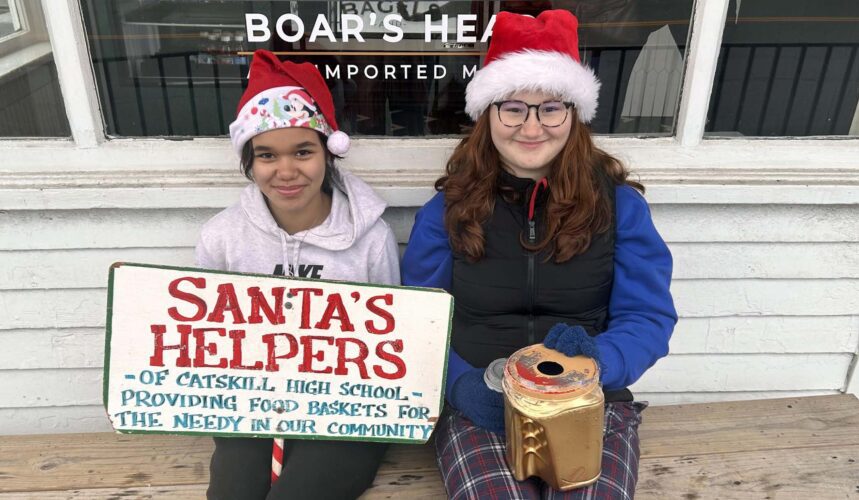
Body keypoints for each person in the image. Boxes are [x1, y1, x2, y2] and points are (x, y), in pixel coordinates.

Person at [401, 10, 677, 499]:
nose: (532, 127)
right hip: (480, 403)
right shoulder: (445, 212)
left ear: (574, 114)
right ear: (488, 115)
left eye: (550, 108)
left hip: (592, 401)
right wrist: (460, 385)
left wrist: (597, 363)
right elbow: (419, 320)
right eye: (513, 108)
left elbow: (647, 317)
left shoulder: (619, 207)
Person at [196, 50, 399, 500]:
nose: (286, 170)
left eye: (303, 151)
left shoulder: (371, 238)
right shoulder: (222, 237)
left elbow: (393, 338)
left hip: (348, 411)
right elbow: (205, 338)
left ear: (328, 153)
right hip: (249, 404)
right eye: (267, 155)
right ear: (250, 163)